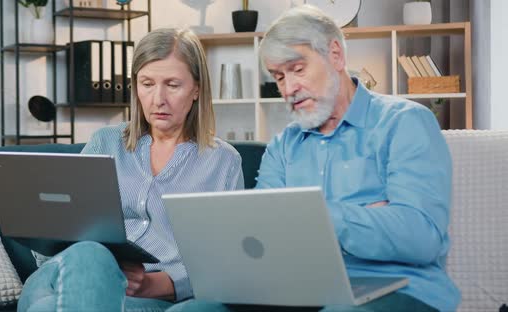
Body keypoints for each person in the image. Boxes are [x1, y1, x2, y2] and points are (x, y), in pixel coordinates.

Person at [168, 4, 460, 312]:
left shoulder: (404, 123)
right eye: (279, 76)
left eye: (297, 69)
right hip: (299, 287)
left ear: (335, 55)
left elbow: (419, 237)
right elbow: (265, 232)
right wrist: (365, 215)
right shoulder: (283, 146)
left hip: (398, 287)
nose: (289, 88)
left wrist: (321, 216)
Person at [16, 28, 244, 312]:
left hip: (146, 297)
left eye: (172, 85)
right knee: (84, 260)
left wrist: (159, 284)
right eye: (147, 83)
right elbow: (60, 233)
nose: (158, 99)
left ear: (197, 88)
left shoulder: (222, 162)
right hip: (69, 274)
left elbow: (228, 263)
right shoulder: (105, 142)